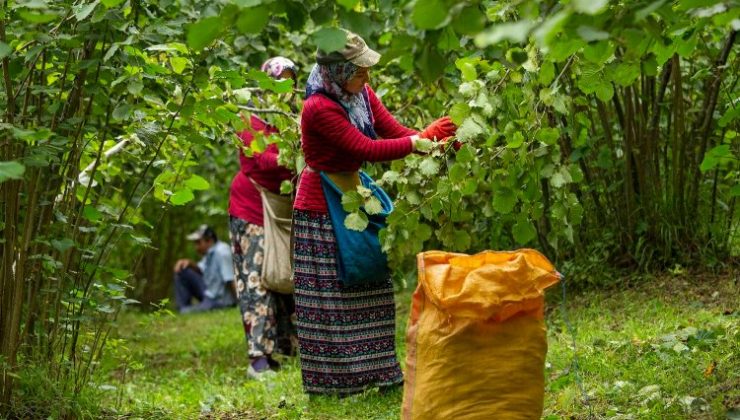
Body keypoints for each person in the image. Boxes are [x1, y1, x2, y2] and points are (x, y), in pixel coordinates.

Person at [292, 30, 457, 395]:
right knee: (333, 294)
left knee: (371, 278)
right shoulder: (318, 107)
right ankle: (337, 383)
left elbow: (394, 131)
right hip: (322, 204)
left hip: (354, 193)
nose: (367, 77)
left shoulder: (361, 94)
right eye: (360, 71)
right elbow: (367, 147)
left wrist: (434, 142)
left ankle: (381, 373)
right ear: (338, 70)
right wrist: (417, 142)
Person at [228, 57, 299, 378]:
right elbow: (262, 160)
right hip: (251, 209)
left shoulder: (292, 120)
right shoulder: (251, 120)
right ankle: (258, 359)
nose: (283, 88)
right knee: (256, 279)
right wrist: (297, 153)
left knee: (285, 276)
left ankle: (287, 348)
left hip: (283, 211)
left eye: (289, 81)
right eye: (277, 81)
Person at [173, 225, 236, 313]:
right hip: (209, 293)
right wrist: (189, 263)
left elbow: (230, 280)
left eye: (198, 242)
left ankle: (184, 310)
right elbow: (201, 270)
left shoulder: (222, 252)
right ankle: (183, 307)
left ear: (209, 240)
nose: (196, 247)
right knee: (182, 271)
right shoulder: (210, 253)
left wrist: (240, 303)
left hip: (219, 300)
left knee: (185, 312)